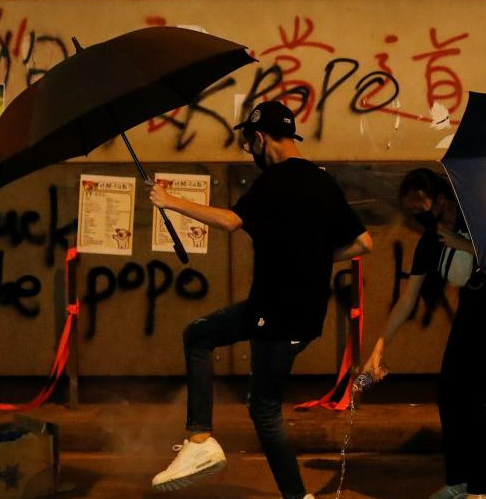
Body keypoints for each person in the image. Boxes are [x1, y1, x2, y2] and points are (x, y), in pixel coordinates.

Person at [147, 101, 373, 498]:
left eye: (249, 142)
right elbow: (363, 242)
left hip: (277, 313)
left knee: (263, 408)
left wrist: (171, 202)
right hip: (299, 315)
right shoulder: (323, 180)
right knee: (201, 336)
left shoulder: (275, 181)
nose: (249, 151)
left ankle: (204, 445)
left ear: (262, 138)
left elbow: (231, 221)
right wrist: (317, 257)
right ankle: (205, 444)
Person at [362, 167, 486, 499]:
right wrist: (379, 347)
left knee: (471, 401)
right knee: (448, 395)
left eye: (422, 207)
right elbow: (408, 299)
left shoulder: (479, 221)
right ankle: (459, 482)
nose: (419, 215)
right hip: (471, 314)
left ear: (441, 198)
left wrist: (464, 246)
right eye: (411, 211)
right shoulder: (430, 240)